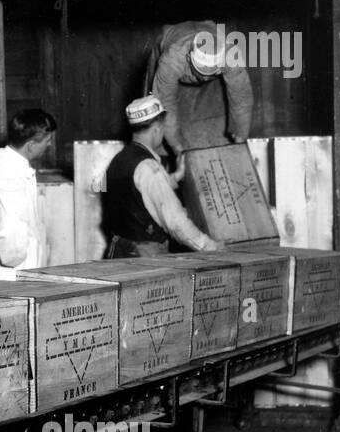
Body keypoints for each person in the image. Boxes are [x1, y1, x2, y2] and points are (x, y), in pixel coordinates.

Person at [103, 95, 223, 258]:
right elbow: (176, 223)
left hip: (119, 251)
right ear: (157, 128)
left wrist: (176, 177)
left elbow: (139, 194)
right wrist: (211, 247)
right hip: (145, 257)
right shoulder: (149, 168)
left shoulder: (119, 160)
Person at [147, 20, 253, 170]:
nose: (205, 77)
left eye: (210, 72)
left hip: (210, 30)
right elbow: (166, 104)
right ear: (189, 58)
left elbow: (241, 99)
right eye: (201, 72)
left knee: (228, 129)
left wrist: (240, 140)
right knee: (157, 121)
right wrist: (177, 148)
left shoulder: (231, 56)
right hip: (170, 42)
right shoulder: (171, 61)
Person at [0, 109, 57, 280]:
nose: (49, 145)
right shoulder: (10, 179)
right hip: (5, 279)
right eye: (47, 140)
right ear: (31, 145)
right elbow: (11, 253)